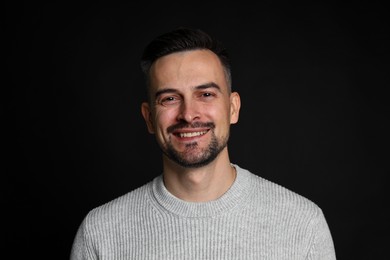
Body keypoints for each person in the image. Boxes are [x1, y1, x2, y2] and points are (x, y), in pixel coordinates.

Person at [70, 27, 336, 259]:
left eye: (206, 94)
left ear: (233, 108)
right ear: (149, 118)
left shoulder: (303, 225)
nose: (188, 114)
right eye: (170, 99)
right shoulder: (101, 232)